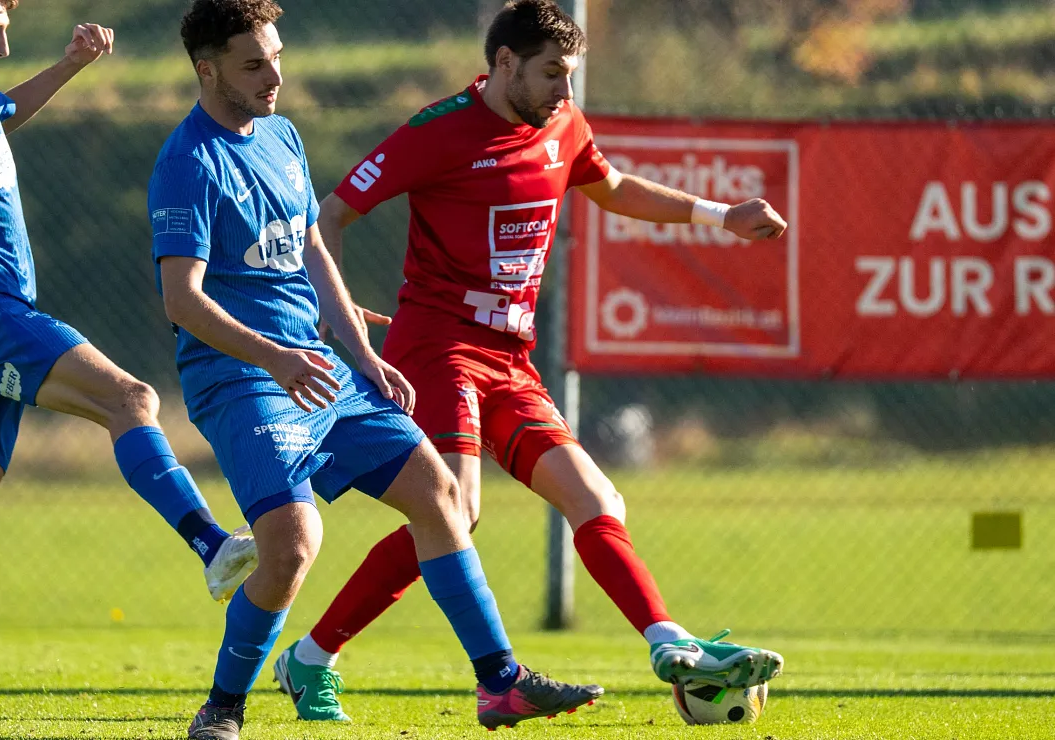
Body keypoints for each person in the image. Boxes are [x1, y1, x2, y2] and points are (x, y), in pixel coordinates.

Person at [272, 0, 788, 722]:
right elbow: (325, 218)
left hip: (510, 359)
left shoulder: (563, 125)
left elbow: (613, 189)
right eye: (551, 73)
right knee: (457, 510)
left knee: (599, 499)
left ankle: (669, 643)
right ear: (504, 63)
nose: (564, 92)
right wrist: (333, 310)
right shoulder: (437, 131)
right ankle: (314, 657)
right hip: (437, 349)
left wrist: (721, 216)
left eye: (570, 75)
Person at [148, 2, 604, 737]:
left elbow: (312, 251)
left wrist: (360, 353)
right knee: (293, 545)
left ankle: (499, 683)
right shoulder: (186, 163)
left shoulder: (282, 136)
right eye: (253, 63)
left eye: (277, 56)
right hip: (244, 379)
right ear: (208, 70)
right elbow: (182, 300)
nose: (275, 75)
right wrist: (278, 358)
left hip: (321, 366)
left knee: (442, 494)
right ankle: (223, 708)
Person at [0, 0, 260, 644]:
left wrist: (71, 64)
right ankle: (211, 544)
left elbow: (4, 116)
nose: (3, 46)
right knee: (130, 398)